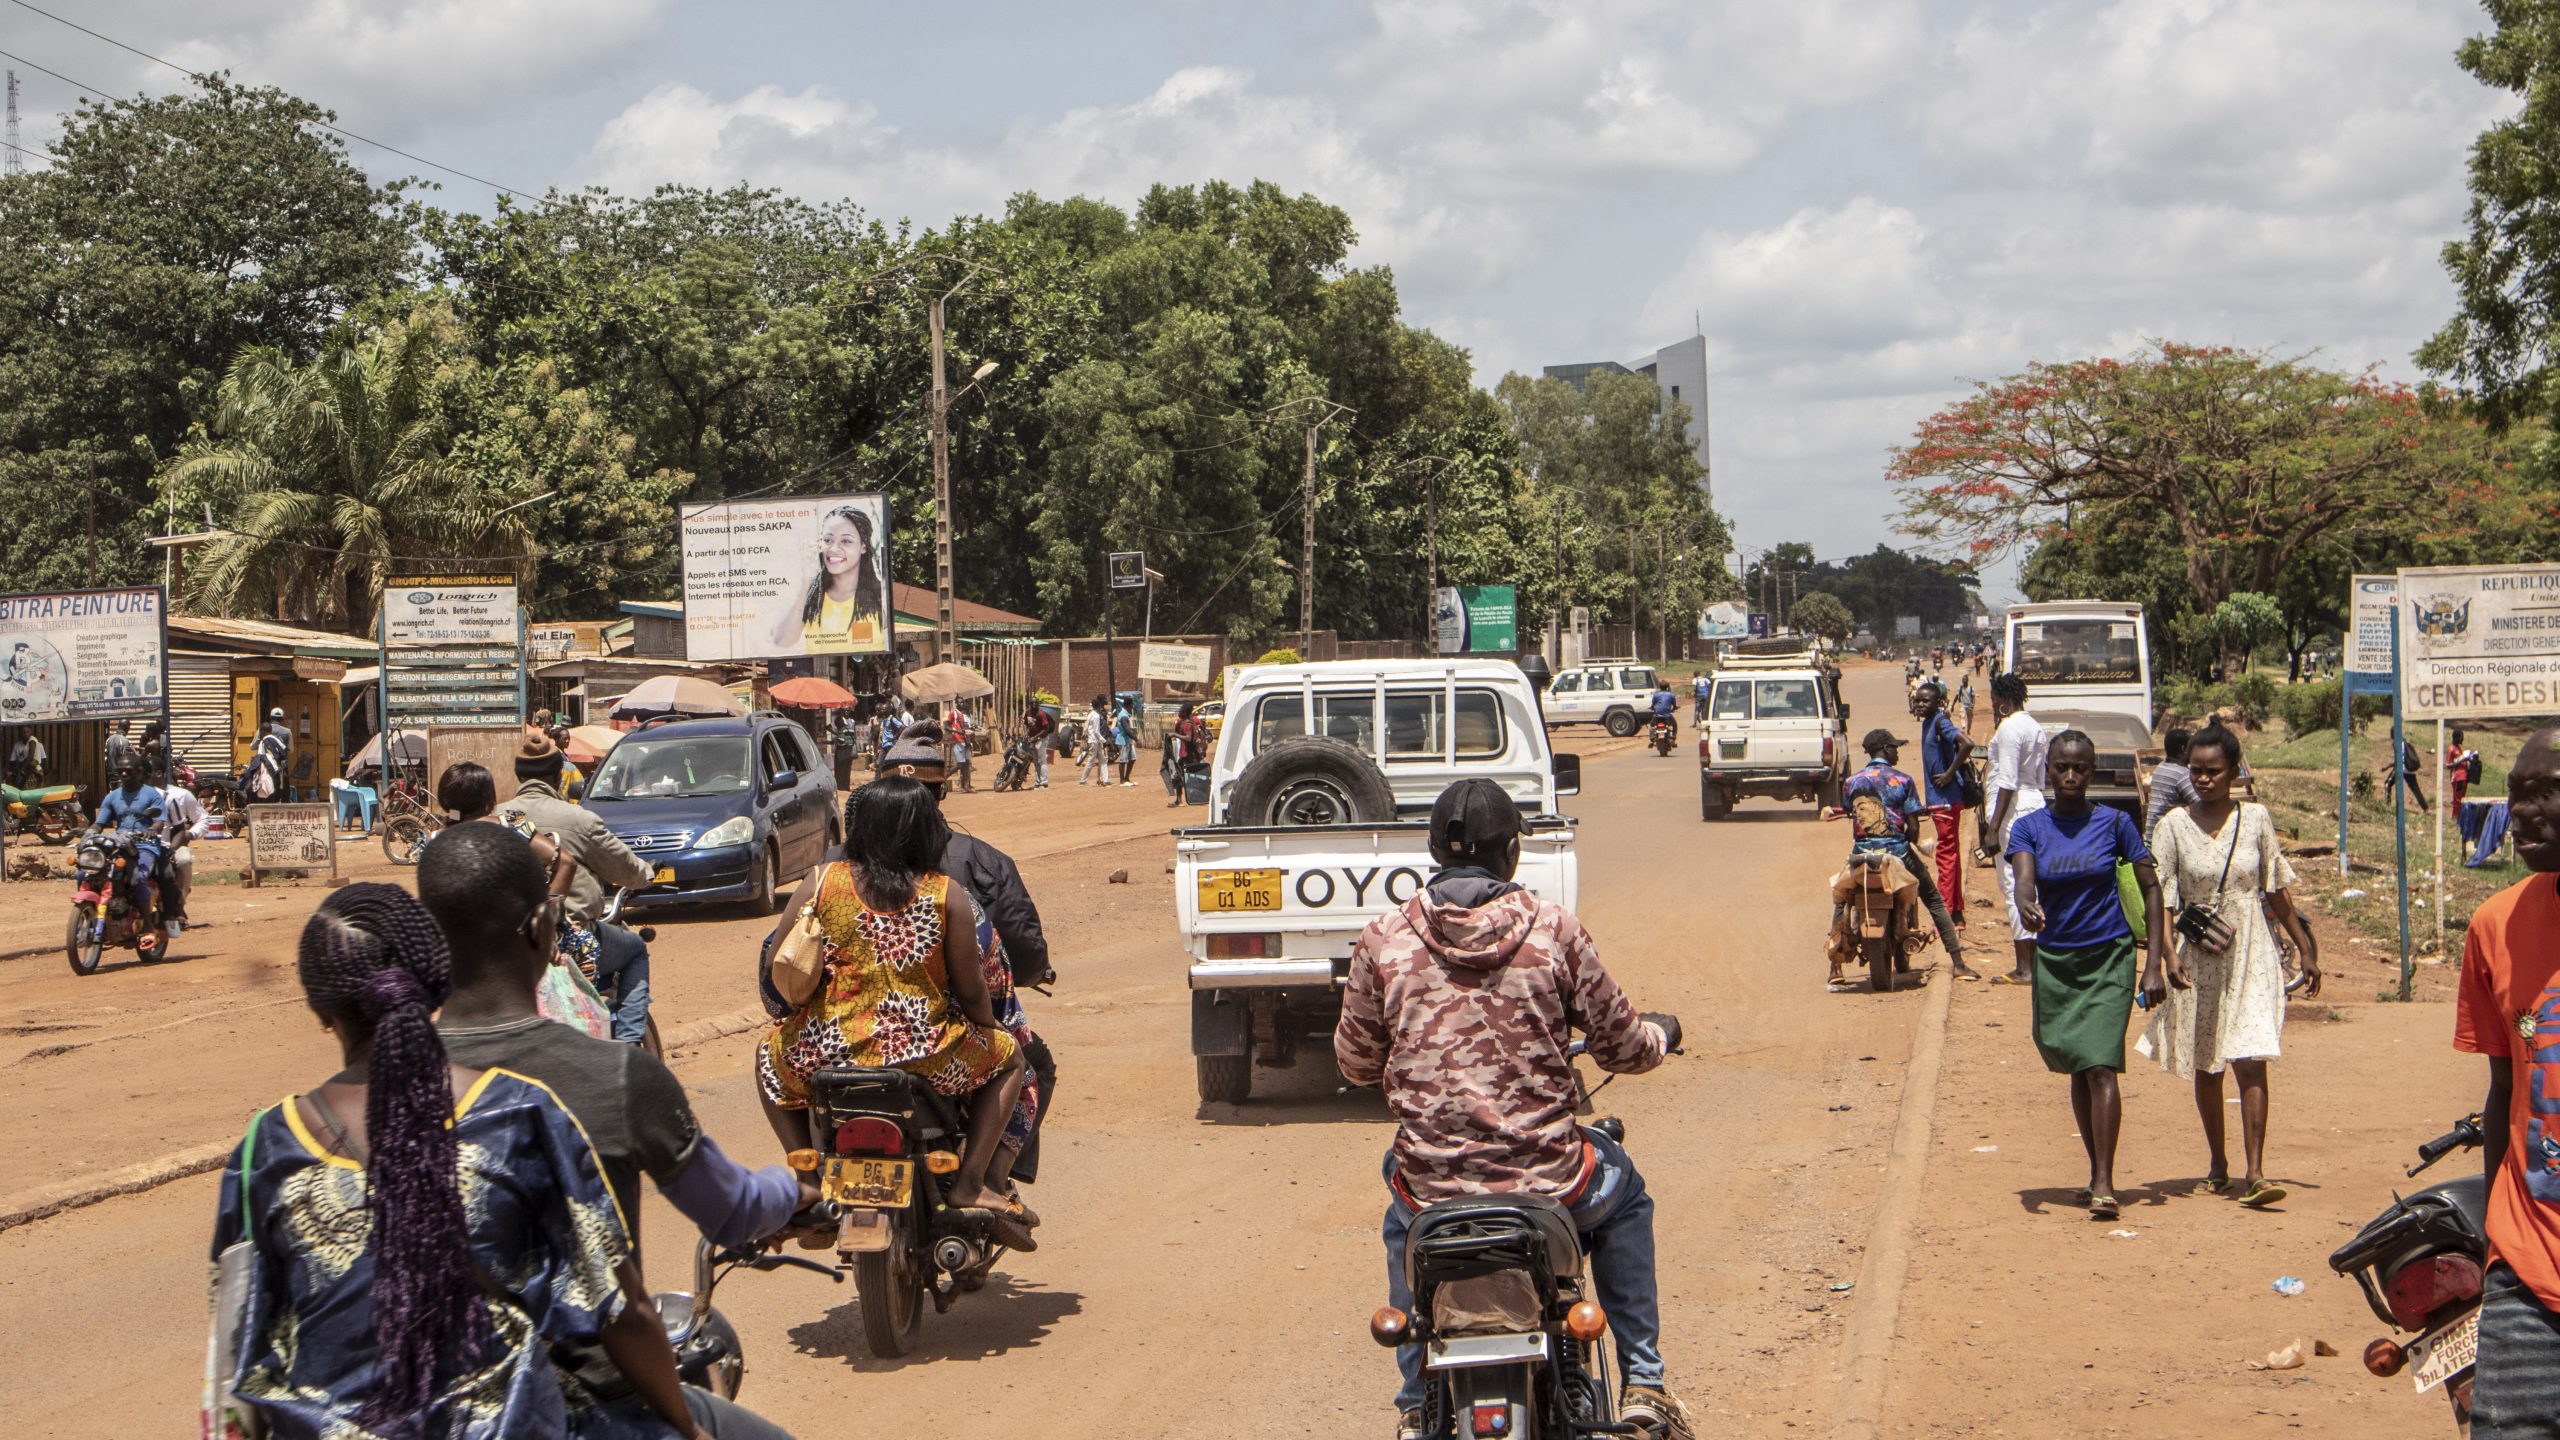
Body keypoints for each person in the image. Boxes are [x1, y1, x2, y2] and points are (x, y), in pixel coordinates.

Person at [209, 883, 789, 1440]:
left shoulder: (264, 1146)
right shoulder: (517, 1112)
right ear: (433, 984)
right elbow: (619, 1311)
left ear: (317, 1007)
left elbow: (237, 1337)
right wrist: (686, 1428)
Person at [1336, 780, 1691, 1440]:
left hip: (1434, 1192)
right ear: (1512, 853)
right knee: (1628, 1195)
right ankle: (1645, 1382)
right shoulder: (1554, 930)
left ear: (1434, 852)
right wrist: (1662, 1035)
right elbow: (1624, 1046)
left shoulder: (1382, 937)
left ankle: (1416, 1400)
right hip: (1551, 1186)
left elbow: (1354, 1063)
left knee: (1400, 1202)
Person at [424, 823, 813, 1264]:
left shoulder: (367, 1096)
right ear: (542, 927)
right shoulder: (623, 1077)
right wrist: (794, 1192)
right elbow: (735, 1208)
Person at [755, 778, 1034, 1247]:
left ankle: (805, 1173)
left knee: (766, 1055)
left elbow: (775, 962)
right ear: (924, 831)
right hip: (925, 1056)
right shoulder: (946, 895)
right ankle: (970, 1183)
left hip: (825, 1054)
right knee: (1012, 1060)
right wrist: (990, 1030)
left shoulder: (820, 882)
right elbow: (971, 991)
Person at [2140, 724, 2320, 1208]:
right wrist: (2167, 956)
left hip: (2252, 949)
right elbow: (2163, 897)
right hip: (2198, 955)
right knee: (2209, 1059)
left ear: (2234, 771)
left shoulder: (2256, 818)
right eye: (2196, 770)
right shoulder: (2172, 826)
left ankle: (2256, 1171)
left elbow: (2276, 890)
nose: (2203, 780)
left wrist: (2304, 947)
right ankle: (2218, 1164)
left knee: (2252, 1052)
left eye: (2213, 771)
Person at [2005, 731, 2174, 1222]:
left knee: (2101, 1063)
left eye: (2080, 768)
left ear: (2092, 769)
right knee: (2078, 1064)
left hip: (2108, 956)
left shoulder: (2116, 824)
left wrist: (2154, 965)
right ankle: (2093, 1168)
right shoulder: (2029, 827)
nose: (2071, 777)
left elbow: (2152, 889)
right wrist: (2024, 903)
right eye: (2062, 767)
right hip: (2056, 960)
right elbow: (2023, 880)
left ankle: (2104, 1181)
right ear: (2048, 771)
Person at [2453, 726, 2560, 1438]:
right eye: (2516, 794)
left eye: (2543, 791)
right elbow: (2503, 1094)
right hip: (2529, 1267)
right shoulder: (2497, 926)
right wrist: (2497, 1245)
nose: (2520, 812)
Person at [501, 735, 658, 1044]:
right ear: (559, 776)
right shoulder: (579, 820)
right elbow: (626, 868)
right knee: (635, 950)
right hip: (567, 936)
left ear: (519, 776)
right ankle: (628, 1049)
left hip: (510, 944)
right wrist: (646, 874)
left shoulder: (498, 817)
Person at [1837, 727, 1966, 985]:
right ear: (1885, 749)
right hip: (1897, 852)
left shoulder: (1851, 782)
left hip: (1861, 854)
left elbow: (1850, 813)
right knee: (1934, 900)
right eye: (1894, 747)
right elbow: (1913, 828)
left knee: (1842, 899)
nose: (1897, 752)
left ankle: (1835, 967)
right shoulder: (1903, 780)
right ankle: (1959, 963)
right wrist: (1907, 837)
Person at [1976, 672, 2044, 985]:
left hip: (2013, 814)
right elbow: (2038, 778)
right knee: (2032, 884)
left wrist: (1993, 827)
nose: (1992, 707)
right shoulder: (2034, 726)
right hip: (2035, 805)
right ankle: (2036, 962)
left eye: (1993, 702)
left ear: (2003, 701)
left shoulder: (2009, 728)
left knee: (2014, 885)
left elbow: (2007, 781)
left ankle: (2024, 968)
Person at [1911, 682, 1973, 972]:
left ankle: (1946, 916)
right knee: (1953, 855)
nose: (1921, 705)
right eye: (1918, 700)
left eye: (1926, 701)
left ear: (1938, 702)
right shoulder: (1929, 722)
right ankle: (1957, 912)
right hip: (1943, 801)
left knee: (1945, 858)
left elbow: (1968, 743)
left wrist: (1949, 774)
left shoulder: (1940, 722)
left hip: (1945, 801)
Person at [769, 503, 886, 654]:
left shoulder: (879, 595)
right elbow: (782, 641)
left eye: (846, 541)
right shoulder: (812, 596)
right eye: (828, 540)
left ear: (863, 546)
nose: (834, 549)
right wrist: (806, 583)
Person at [89, 758, 166, 918]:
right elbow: (99, 823)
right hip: (119, 844)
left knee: (138, 877)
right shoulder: (112, 796)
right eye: (120, 771)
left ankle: (147, 924)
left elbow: (159, 820)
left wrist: (152, 829)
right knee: (87, 873)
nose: (124, 774)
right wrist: (89, 833)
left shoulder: (151, 794)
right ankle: (91, 913)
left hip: (144, 845)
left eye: (129, 771)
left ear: (139, 773)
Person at [157, 772, 204, 932]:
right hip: (144, 845)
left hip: (173, 843)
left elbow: (203, 819)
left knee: (183, 861)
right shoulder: (132, 795)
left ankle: (179, 906)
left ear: (160, 772)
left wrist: (190, 834)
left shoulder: (180, 795)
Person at [2143, 727, 2202, 842]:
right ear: (2184, 749)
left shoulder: (2160, 768)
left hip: (2152, 834)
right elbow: (2199, 803)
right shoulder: (2181, 773)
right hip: (2167, 836)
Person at [2388, 735, 2431, 813]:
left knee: (2388, 784)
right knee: (2415, 789)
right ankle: (2426, 808)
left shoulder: (2395, 743)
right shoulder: (2405, 742)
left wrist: (2387, 767)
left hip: (2402, 769)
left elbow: (2397, 760)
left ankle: (2387, 805)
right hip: (2410, 769)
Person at [1022, 700, 1057, 789]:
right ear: (1029, 705)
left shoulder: (1041, 714)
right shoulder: (1028, 712)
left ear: (1038, 705)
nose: (1034, 706)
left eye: (1035, 705)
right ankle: (1038, 782)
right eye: (1032, 704)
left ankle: (1044, 782)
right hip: (1032, 739)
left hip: (1042, 738)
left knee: (1042, 760)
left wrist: (1036, 737)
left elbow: (1046, 729)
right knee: (1036, 761)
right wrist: (1026, 734)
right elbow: (1026, 724)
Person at [1079, 695, 1110, 786]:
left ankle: (1105, 780)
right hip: (1095, 741)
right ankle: (1083, 780)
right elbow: (1096, 732)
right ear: (1099, 706)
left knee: (1103, 760)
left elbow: (1086, 729)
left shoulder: (1090, 714)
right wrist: (1104, 741)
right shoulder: (1096, 716)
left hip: (1093, 741)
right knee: (1091, 761)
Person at [947, 705, 976, 792]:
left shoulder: (962, 716)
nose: (962, 703)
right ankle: (943, 777)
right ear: (956, 703)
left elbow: (963, 727)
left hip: (965, 740)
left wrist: (967, 729)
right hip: (958, 741)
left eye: (963, 702)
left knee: (966, 764)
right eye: (960, 701)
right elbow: (946, 727)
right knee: (960, 765)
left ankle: (965, 786)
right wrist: (957, 731)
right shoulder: (953, 713)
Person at [2451, 726, 2479, 812]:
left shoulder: (2460, 748)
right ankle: (2455, 817)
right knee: (2457, 799)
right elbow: (2448, 765)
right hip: (2458, 777)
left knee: (2461, 799)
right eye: (2460, 736)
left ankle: (2460, 816)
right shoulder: (2451, 749)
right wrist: (2463, 759)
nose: (2462, 739)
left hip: (2464, 777)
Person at [1113, 698, 1138, 786]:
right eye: (1131, 705)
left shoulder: (1126, 714)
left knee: (1133, 758)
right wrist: (1135, 737)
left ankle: (1127, 777)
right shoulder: (1123, 715)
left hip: (1128, 740)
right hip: (1123, 740)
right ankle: (1122, 780)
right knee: (1123, 761)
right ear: (1129, 705)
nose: (1132, 707)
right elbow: (1127, 729)